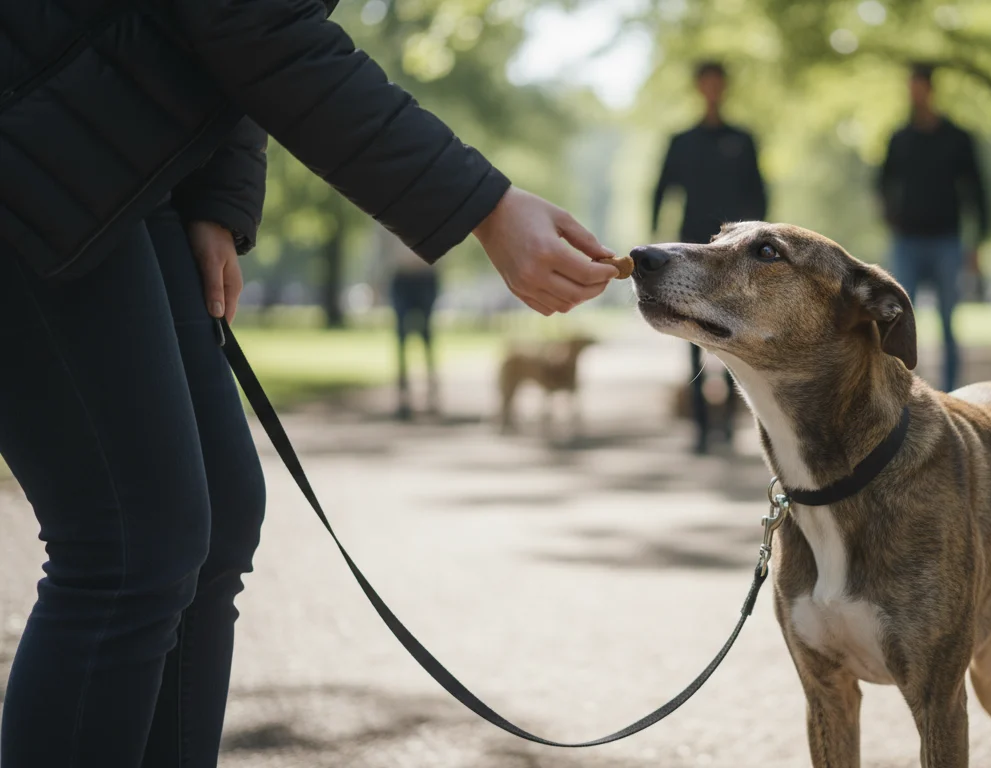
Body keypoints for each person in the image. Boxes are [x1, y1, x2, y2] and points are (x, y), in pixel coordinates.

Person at [0, 1, 619, 766]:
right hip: (31, 142)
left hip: (122, 159)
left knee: (221, 518)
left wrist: (219, 201)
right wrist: (484, 207)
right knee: (133, 543)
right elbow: (249, 23)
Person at [652, 61, 767, 454]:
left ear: (724, 87)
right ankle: (701, 427)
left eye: (719, 83)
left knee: (735, 338)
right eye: (707, 83)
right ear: (700, 87)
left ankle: (731, 425)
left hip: (735, 258)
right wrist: (656, 236)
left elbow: (759, 193)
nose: (713, 89)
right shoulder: (682, 141)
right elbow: (663, 187)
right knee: (691, 337)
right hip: (691, 248)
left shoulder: (743, 140)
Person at [877, 63, 990, 392]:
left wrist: (978, 242)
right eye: (911, 87)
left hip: (947, 242)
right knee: (897, 320)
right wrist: (892, 219)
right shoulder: (899, 138)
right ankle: (900, 390)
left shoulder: (957, 138)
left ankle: (951, 392)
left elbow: (977, 191)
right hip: (907, 242)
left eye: (920, 86)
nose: (916, 93)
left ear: (930, 89)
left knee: (947, 321)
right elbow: (883, 184)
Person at [381, 227, 442, 420]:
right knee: (400, 338)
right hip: (401, 276)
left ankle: (432, 395)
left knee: (427, 336)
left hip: (425, 274)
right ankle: (403, 397)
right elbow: (380, 244)